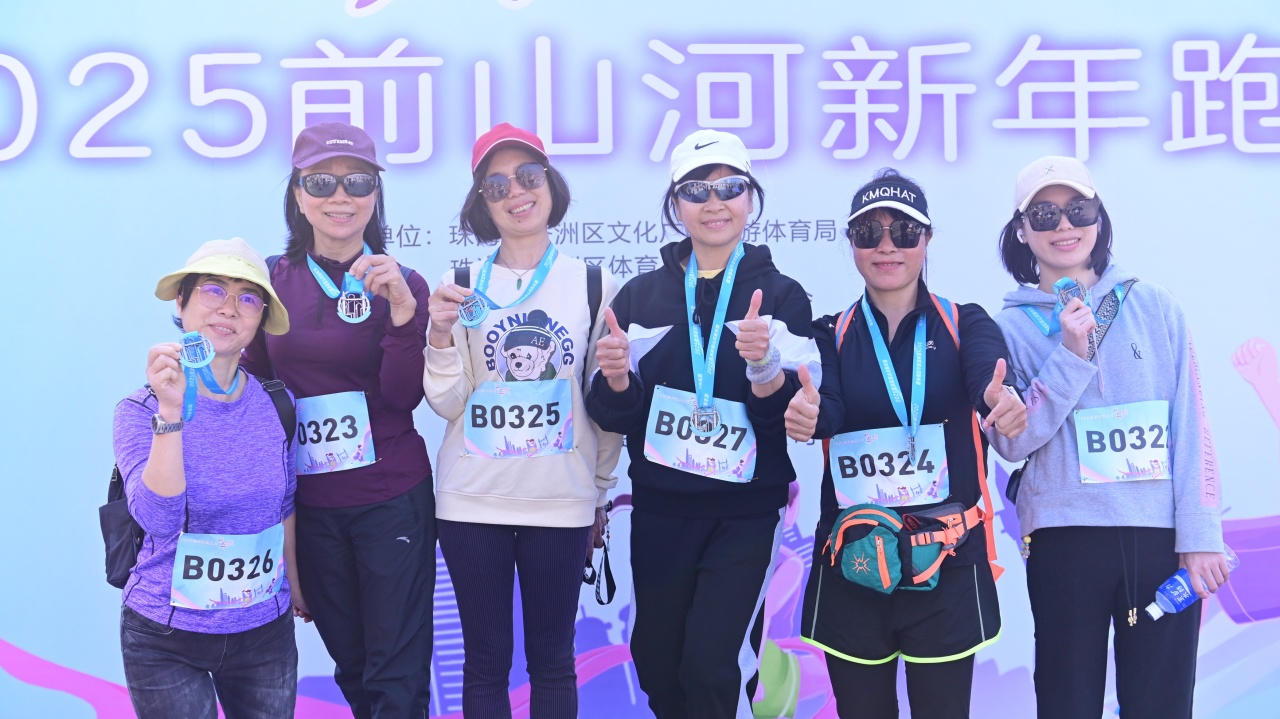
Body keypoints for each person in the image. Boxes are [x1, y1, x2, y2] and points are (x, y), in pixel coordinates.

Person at [586, 129, 817, 719]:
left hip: (745, 513)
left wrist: (765, 369)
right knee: (658, 662)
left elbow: (787, 417)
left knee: (714, 668)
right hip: (661, 509)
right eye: (696, 191)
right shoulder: (639, 297)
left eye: (730, 188)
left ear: (750, 197)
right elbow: (612, 413)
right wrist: (616, 380)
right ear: (675, 204)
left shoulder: (783, 297)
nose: (714, 203)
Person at [986, 156, 1227, 719]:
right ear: (1021, 230)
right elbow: (1013, 444)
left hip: (1158, 537)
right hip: (1064, 538)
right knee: (1067, 702)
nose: (1064, 226)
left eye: (1078, 209)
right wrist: (1070, 356)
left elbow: (1190, 422)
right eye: (1044, 214)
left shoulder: (1155, 305)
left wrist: (1201, 532)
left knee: (1162, 703)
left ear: (1099, 217)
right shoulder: (1007, 328)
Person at [785, 169, 1026, 719]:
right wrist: (808, 414)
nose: (887, 245)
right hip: (854, 560)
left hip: (946, 560)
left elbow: (986, 382)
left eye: (905, 231)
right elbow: (828, 407)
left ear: (927, 239)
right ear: (852, 244)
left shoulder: (965, 323)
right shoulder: (830, 333)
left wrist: (1000, 399)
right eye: (869, 232)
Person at [422, 123, 622, 718]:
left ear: (550, 185)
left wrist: (599, 493)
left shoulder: (594, 284)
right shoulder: (460, 286)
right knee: (484, 663)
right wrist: (438, 336)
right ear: (481, 203)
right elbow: (448, 403)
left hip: (560, 501)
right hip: (472, 501)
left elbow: (605, 408)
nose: (516, 192)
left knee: (553, 661)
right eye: (496, 185)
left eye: (528, 176)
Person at [241, 122, 435, 718]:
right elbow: (254, 392)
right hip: (311, 507)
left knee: (396, 675)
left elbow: (403, 397)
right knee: (353, 667)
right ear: (298, 195)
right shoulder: (269, 283)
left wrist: (401, 313)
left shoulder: (403, 284)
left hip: (390, 497)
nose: (340, 196)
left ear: (376, 194)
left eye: (358, 182)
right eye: (321, 182)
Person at [114, 238, 299, 718]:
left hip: (265, 630)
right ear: (182, 303)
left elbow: (284, 507)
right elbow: (158, 520)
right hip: (166, 634)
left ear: (260, 318)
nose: (229, 308)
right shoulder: (139, 409)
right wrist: (171, 413)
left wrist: (297, 585)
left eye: (248, 298)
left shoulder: (278, 404)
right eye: (213, 290)